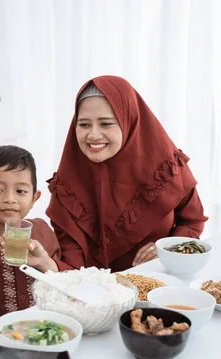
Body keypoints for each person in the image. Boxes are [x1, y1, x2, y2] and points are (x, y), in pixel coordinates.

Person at [46, 76, 208, 272]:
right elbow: (71, 262)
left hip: (159, 288)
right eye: (84, 125)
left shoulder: (166, 169)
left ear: (129, 121)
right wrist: (47, 265)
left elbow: (193, 220)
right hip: (94, 293)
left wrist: (167, 248)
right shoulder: (68, 184)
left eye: (106, 124)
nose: (93, 135)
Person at [0, 145, 73, 326]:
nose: (9, 199)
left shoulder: (43, 232)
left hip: (46, 329)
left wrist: (44, 262)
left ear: (34, 198)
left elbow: (66, 289)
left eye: (20, 191)